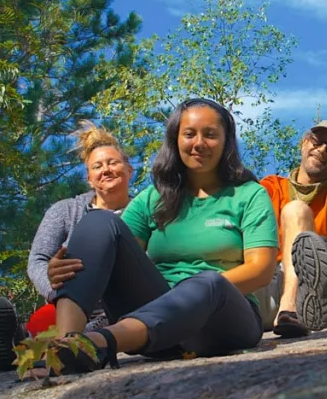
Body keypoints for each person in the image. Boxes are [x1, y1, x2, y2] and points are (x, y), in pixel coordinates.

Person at [28, 98, 278, 375]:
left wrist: (185, 297)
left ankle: (98, 343)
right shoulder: (153, 197)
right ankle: (68, 348)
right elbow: (110, 253)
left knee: (209, 281)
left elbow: (261, 271)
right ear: (175, 140)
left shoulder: (249, 195)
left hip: (221, 322)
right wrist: (64, 269)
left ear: (226, 142)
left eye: (210, 134)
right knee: (98, 221)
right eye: (189, 134)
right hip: (157, 327)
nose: (199, 143)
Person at [0, 123, 133, 372]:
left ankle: (53, 346)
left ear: (129, 169)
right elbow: (38, 259)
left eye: (113, 163)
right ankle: (16, 344)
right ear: (89, 178)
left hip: (124, 305)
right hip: (69, 303)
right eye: (97, 166)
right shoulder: (65, 211)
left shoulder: (146, 211)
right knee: (45, 324)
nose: (106, 170)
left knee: (120, 322)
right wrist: (56, 289)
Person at [257, 121, 327, 337]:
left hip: (314, 290)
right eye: (317, 141)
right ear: (304, 143)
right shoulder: (270, 187)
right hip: (270, 284)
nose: (321, 150)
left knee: (296, 211)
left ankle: (291, 308)